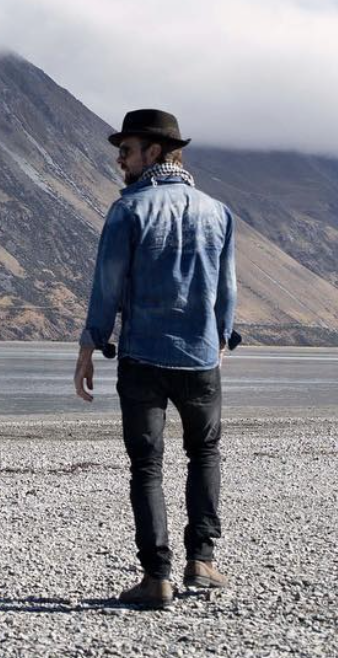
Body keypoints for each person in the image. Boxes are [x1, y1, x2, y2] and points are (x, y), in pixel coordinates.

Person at [75, 109, 237, 610]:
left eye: (127, 150)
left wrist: (88, 346)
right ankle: (202, 562)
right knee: (203, 454)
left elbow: (108, 286)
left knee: (147, 466)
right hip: (200, 357)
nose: (120, 159)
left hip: (143, 355)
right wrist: (221, 341)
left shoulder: (128, 210)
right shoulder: (218, 211)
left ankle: (156, 577)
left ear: (155, 152)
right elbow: (226, 289)